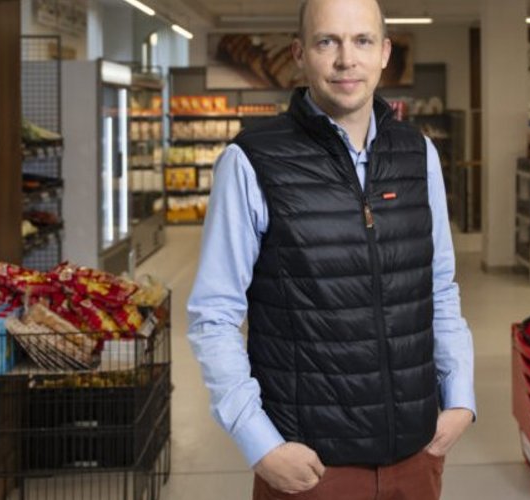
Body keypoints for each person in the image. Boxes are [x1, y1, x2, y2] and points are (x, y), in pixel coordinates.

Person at [186, 0, 476, 498]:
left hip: (415, 454)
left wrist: (460, 397)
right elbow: (213, 316)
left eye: (362, 41)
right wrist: (261, 444)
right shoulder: (252, 160)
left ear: (385, 53)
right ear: (300, 54)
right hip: (311, 467)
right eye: (327, 42)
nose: (347, 59)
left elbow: (439, 287)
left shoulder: (418, 153)